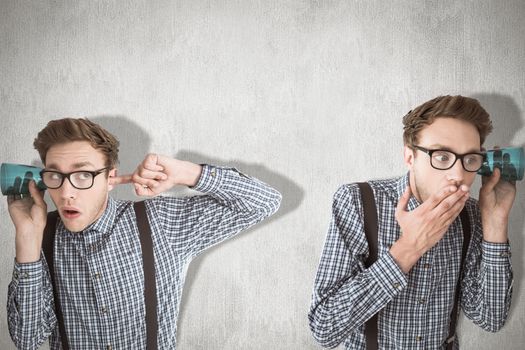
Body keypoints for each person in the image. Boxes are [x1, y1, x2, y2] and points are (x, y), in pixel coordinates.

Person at [6, 118, 282, 350]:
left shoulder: (160, 223)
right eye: (55, 175)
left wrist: (186, 172)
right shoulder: (42, 236)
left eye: (83, 176)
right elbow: (27, 340)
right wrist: (28, 239)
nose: (66, 193)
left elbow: (264, 202)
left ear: (110, 178)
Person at [309, 95, 516, 349]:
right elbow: (324, 328)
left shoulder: (472, 215)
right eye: (442, 156)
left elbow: (490, 318)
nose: (459, 175)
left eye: (470, 159)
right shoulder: (357, 202)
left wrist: (495, 223)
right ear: (410, 157)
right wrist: (409, 247)